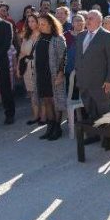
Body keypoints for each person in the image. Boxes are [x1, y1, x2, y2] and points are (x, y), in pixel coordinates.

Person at [75, 10, 110, 147]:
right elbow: (79, 57)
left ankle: (108, 139)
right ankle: (94, 135)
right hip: (84, 82)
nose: (87, 21)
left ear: (99, 22)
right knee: (90, 111)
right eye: (87, 18)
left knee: (104, 111)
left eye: (91, 19)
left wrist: (109, 80)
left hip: (100, 83)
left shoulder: (108, 36)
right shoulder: (81, 35)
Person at [33, 13, 67, 141]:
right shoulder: (40, 38)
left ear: (51, 24)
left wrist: (60, 74)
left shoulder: (58, 39)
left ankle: (57, 128)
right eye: (39, 24)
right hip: (42, 75)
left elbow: (64, 58)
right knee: (47, 101)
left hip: (54, 75)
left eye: (43, 24)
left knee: (56, 102)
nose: (40, 26)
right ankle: (50, 126)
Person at [17, 13, 42, 125]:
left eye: (33, 21)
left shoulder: (43, 34)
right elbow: (22, 53)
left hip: (41, 66)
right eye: (29, 21)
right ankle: (36, 116)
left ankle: (44, 117)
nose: (31, 23)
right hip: (27, 67)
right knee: (32, 93)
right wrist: (19, 68)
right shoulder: (26, 36)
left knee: (42, 93)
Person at [63, 14, 85, 100]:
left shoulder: (89, 35)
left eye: (81, 20)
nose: (79, 22)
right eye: (77, 20)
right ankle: (76, 113)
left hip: (85, 72)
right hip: (70, 70)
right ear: (72, 23)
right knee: (72, 96)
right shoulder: (65, 36)